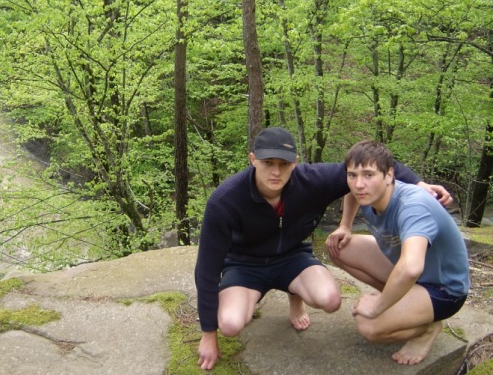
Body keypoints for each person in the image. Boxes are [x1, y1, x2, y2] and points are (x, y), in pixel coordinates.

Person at [194, 127, 452, 370]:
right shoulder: (225, 200)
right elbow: (206, 269)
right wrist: (208, 334)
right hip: (245, 265)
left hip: (292, 258)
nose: (276, 172)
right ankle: (254, 299)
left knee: (330, 300)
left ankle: (295, 297)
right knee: (230, 325)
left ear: (295, 162)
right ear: (253, 160)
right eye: (268, 163)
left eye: (284, 164)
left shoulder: (312, 180)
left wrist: (419, 185)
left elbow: (372, 167)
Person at [326, 140, 469, 366]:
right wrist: (345, 226)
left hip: (443, 289)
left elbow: (411, 268)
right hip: (410, 271)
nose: (359, 184)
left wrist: (378, 306)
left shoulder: (413, 206)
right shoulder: (367, 193)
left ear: (389, 174)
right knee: (339, 247)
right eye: (352, 175)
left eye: (369, 175)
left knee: (369, 325)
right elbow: (351, 193)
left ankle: (427, 329)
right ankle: (403, 305)